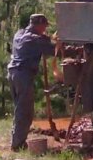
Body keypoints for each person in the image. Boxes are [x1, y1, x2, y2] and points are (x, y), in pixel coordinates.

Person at [7, 14, 59, 151]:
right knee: (25, 111)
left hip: (12, 74)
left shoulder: (19, 34)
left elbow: (40, 40)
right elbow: (55, 50)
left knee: (19, 108)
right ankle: (17, 145)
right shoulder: (35, 40)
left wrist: (45, 38)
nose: (45, 29)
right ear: (39, 25)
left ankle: (16, 140)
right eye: (44, 27)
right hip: (22, 75)